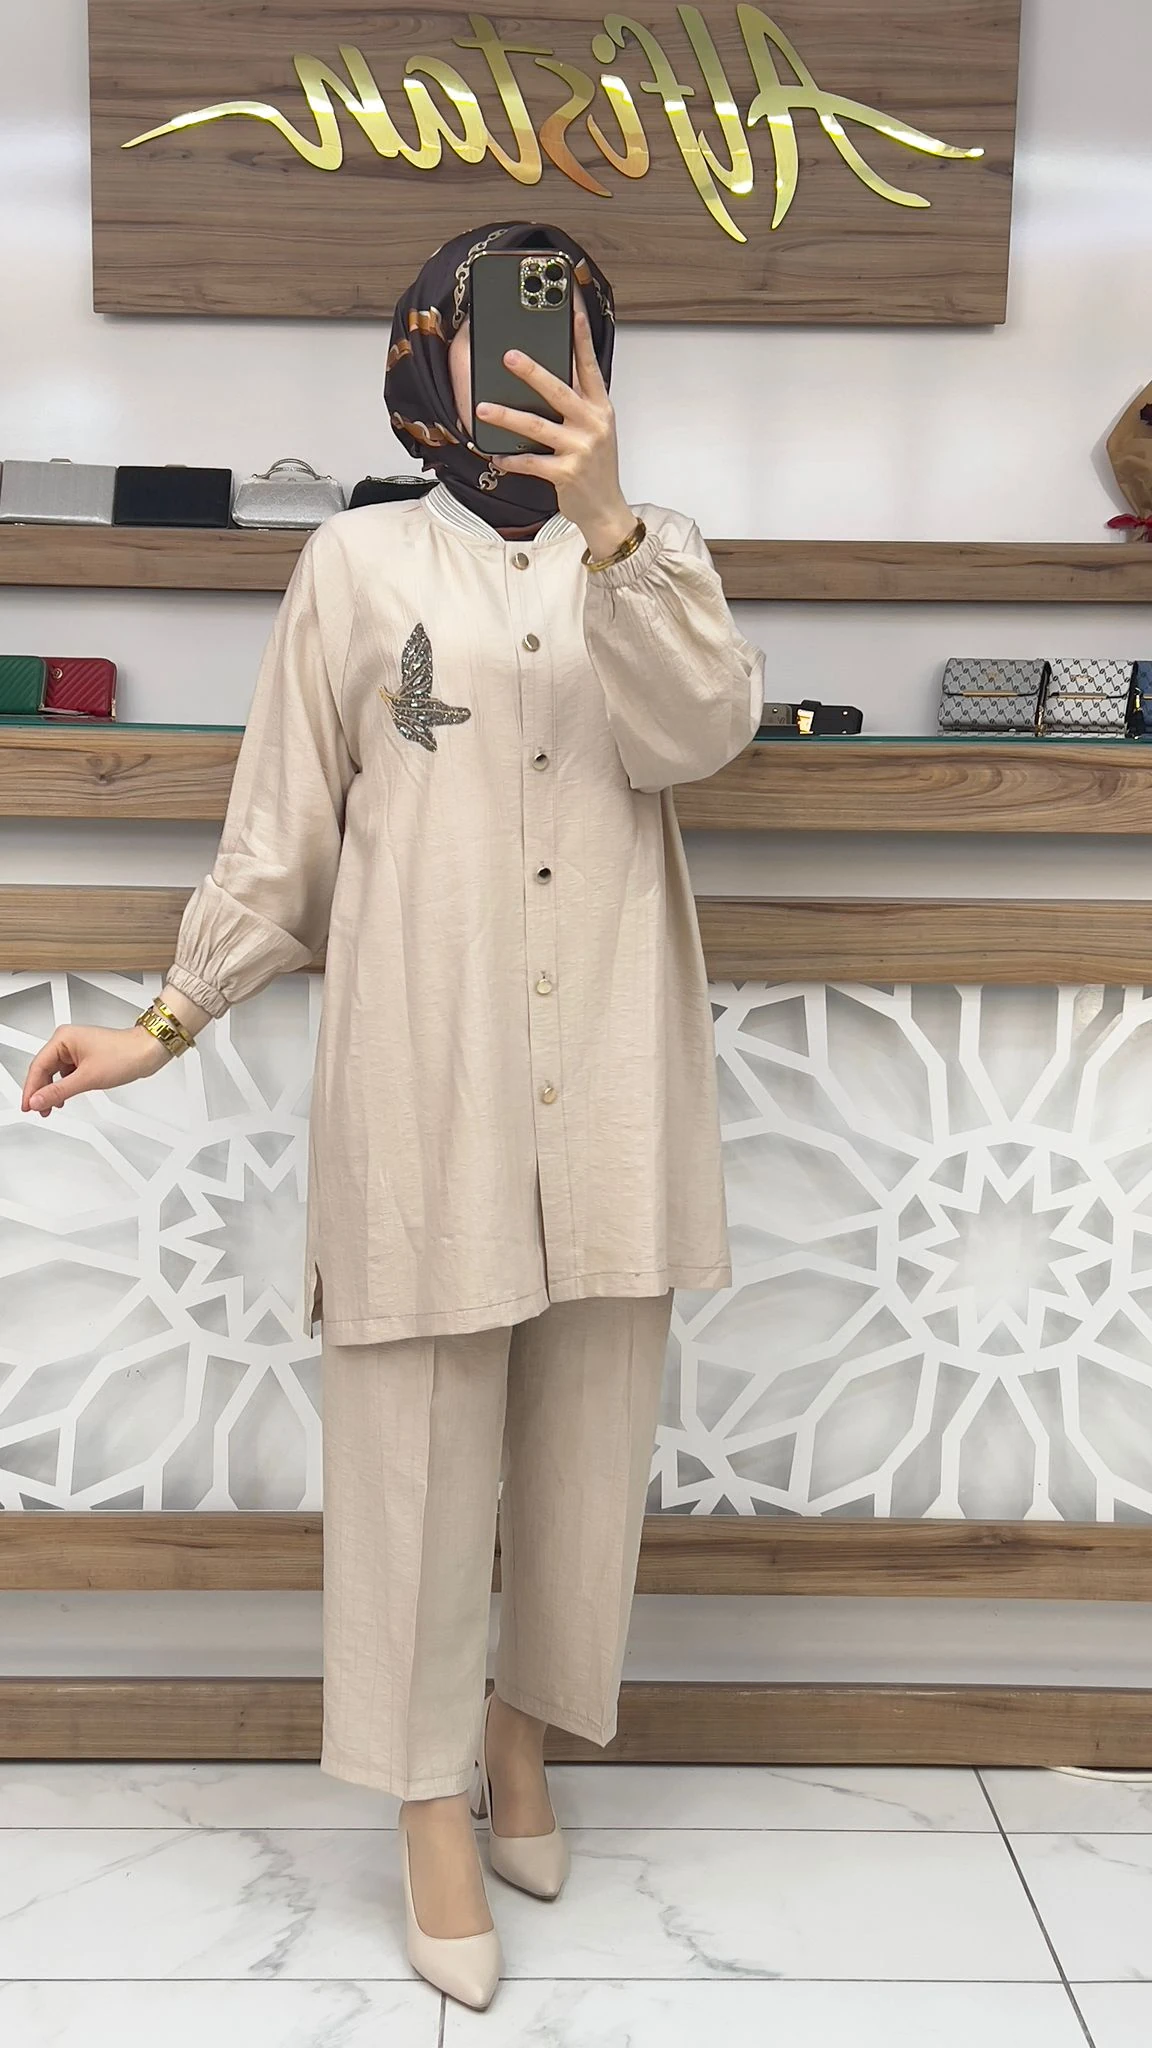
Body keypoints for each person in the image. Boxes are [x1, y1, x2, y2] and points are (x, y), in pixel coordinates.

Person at [21, 220, 765, 2011]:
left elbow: (704, 735)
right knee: (416, 1455)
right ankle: (431, 1799)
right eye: (498, 336)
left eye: (569, 337)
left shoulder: (656, 556)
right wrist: (167, 1019)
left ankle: (522, 1731)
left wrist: (609, 524)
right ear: (429, 356)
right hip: (426, 1079)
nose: (532, 365)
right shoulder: (353, 565)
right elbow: (282, 834)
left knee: (588, 1447)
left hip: (612, 1072)